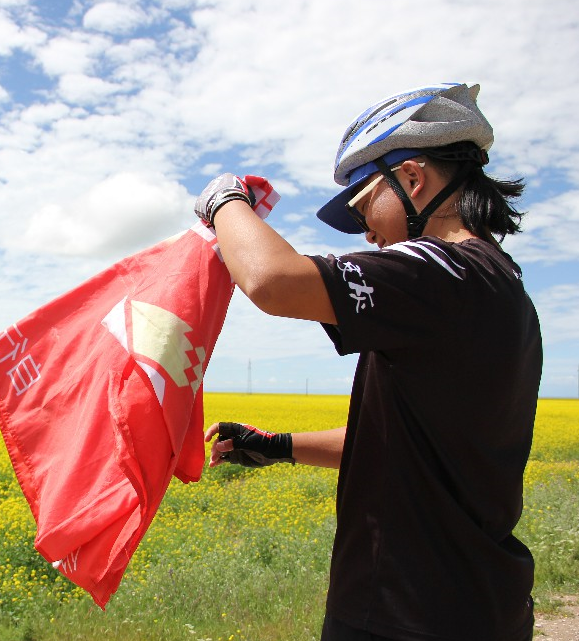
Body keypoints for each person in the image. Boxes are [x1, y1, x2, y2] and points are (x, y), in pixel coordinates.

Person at [194, 83, 541, 641]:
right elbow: (406, 442)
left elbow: (272, 281)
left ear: (412, 179)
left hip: (404, 615)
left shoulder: (440, 270)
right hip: (484, 607)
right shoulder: (505, 291)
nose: (367, 233)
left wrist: (223, 200)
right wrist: (277, 445)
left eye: (363, 207)